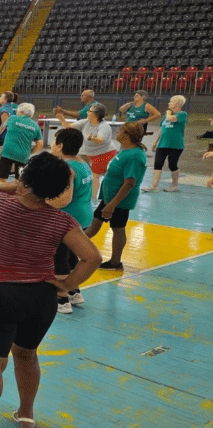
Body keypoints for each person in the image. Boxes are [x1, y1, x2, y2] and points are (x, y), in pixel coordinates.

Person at [0, 153, 100, 428]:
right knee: (27, 355)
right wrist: (67, 285)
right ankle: (27, 414)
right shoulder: (62, 220)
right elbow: (93, 258)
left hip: (0, 293)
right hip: (41, 297)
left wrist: (4, 188)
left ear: (25, 180)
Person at [84, 122, 148, 270]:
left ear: (126, 135)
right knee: (95, 222)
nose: (117, 132)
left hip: (118, 201)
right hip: (109, 198)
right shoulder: (125, 151)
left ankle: (115, 262)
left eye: (120, 130)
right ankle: (74, 248)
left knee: (118, 227)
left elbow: (129, 183)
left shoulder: (134, 155)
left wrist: (112, 205)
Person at [49, 128, 93, 314]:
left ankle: (62, 298)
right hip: (83, 216)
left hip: (68, 218)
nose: (51, 145)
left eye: (54, 142)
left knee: (59, 256)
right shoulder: (83, 163)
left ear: (60, 146)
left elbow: (64, 199)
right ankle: (75, 291)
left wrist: (41, 202)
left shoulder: (66, 168)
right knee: (70, 255)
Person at [56, 102, 115, 200]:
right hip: (87, 152)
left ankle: (93, 198)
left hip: (103, 153)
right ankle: (81, 191)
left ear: (96, 114)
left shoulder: (104, 126)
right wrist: (62, 119)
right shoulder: (86, 122)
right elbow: (69, 127)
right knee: (81, 169)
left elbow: (101, 140)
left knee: (95, 175)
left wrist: (92, 138)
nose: (87, 112)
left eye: (90, 111)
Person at [143, 95, 188, 192]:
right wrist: (155, 142)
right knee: (158, 163)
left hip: (176, 145)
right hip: (163, 144)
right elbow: (161, 129)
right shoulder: (166, 116)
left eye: (171, 102)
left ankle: (175, 185)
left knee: (172, 164)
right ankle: (154, 186)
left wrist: (168, 113)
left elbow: (171, 119)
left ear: (178, 104)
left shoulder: (182, 114)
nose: (169, 103)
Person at [0, 103, 42, 183]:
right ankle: (17, 194)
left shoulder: (12, 118)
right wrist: (31, 151)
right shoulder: (35, 125)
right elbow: (40, 144)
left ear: (20, 111)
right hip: (23, 155)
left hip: (7, 152)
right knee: (20, 180)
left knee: (1, 178)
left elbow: (3, 126)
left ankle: (3, 193)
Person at [0, 91, 17, 166]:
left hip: (3, 135)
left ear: (5, 99)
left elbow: (4, 123)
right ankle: (11, 170)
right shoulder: (13, 107)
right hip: (12, 133)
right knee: (8, 153)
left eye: (1, 97)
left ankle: (0, 171)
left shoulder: (5, 109)